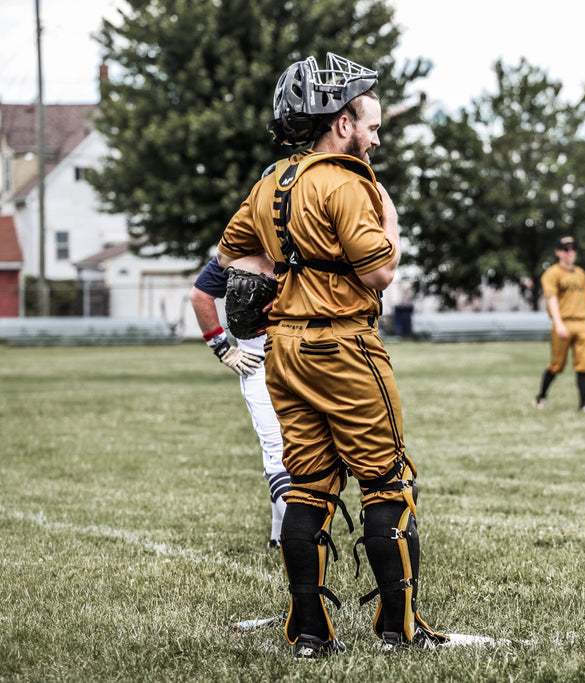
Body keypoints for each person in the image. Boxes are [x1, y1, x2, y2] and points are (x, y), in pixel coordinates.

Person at [215, 53, 446, 658]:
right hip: (343, 344)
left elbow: (231, 258)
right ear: (341, 123)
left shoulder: (273, 182)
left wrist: (275, 281)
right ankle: (400, 629)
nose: (375, 136)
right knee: (387, 482)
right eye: (369, 124)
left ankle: (309, 635)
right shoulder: (347, 182)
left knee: (308, 486)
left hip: (283, 352)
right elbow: (380, 272)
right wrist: (391, 217)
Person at [189, 255, 290, 549]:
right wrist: (222, 348)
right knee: (278, 450)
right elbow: (200, 296)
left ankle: (281, 535)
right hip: (262, 359)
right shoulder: (239, 248)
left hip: (307, 356)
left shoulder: (305, 237)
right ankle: (298, 538)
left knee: (298, 451)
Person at [533, 235, 585, 413]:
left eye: (573, 248)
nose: (571, 252)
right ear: (558, 252)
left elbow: (584, 304)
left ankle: (583, 404)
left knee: (583, 365)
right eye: (566, 249)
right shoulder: (552, 273)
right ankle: (541, 397)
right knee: (557, 364)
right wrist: (558, 323)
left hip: (581, 324)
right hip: (563, 322)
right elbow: (552, 299)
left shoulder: (580, 274)